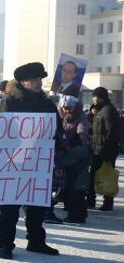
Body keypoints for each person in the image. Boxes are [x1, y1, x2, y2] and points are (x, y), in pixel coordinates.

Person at [0, 62, 61, 259]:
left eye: (40, 79)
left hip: (38, 161)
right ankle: (6, 244)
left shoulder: (46, 102)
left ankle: (36, 241)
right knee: (10, 205)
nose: (38, 83)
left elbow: (55, 128)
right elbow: (3, 131)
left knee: (37, 204)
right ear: (23, 82)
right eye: (34, 80)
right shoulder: (10, 102)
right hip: (15, 161)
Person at [57, 95, 91, 223]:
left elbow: (83, 140)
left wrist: (70, 147)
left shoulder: (82, 119)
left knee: (77, 188)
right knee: (71, 187)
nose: (67, 110)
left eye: (69, 108)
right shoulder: (63, 118)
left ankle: (77, 215)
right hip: (69, 158)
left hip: (78, 155)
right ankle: (77, 213)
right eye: (64, 108)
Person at [88, 87, 119, 212]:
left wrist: (105, 151)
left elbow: (111, 132)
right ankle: (92, 200)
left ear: (101, 97)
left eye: (95, 96)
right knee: (95, 176)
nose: (93, 99)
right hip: (97, 149)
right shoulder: (101, 110)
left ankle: (106, 202)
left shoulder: (107, 111)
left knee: (107, 176)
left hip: (104, 151)